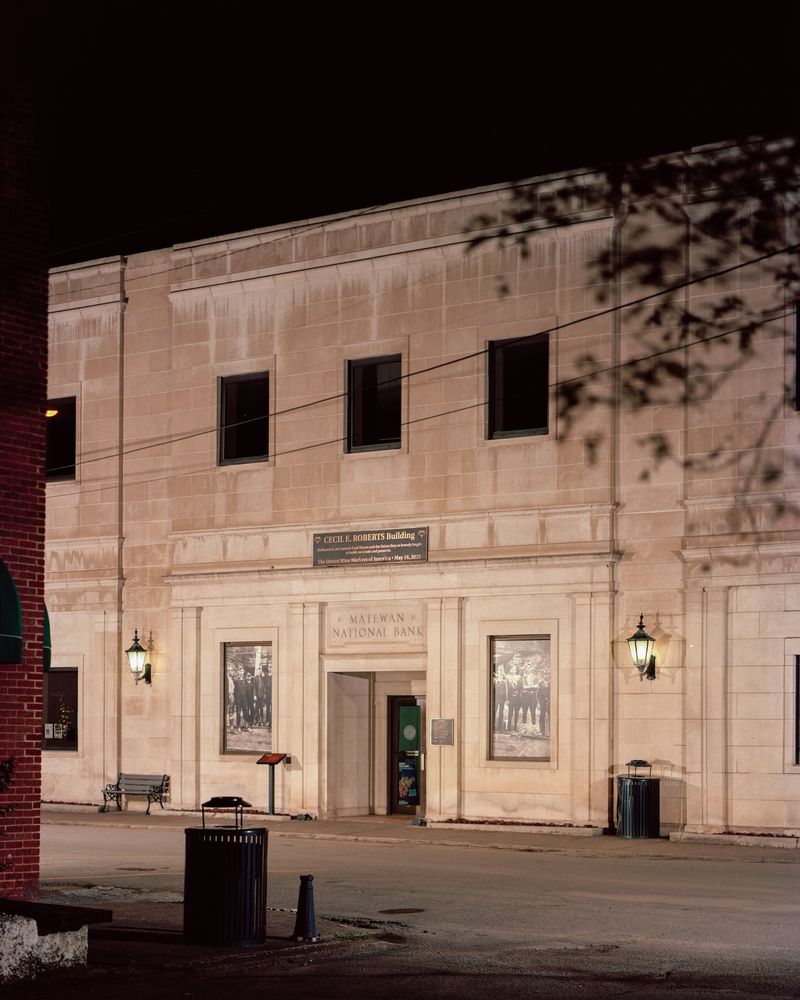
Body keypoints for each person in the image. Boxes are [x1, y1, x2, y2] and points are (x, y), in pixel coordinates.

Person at [493, 664, 509, 732]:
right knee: (494, 711)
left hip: (502, 698)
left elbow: (507, 690)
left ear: (503, 671)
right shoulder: (495, 679)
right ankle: (492, 726)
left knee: (501, 712)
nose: (500, 671)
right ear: (498, 670)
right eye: (499, 670)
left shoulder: (505, 680)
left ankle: (499, 727)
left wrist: (507, 699)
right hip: (495, 697)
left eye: (502, 670)